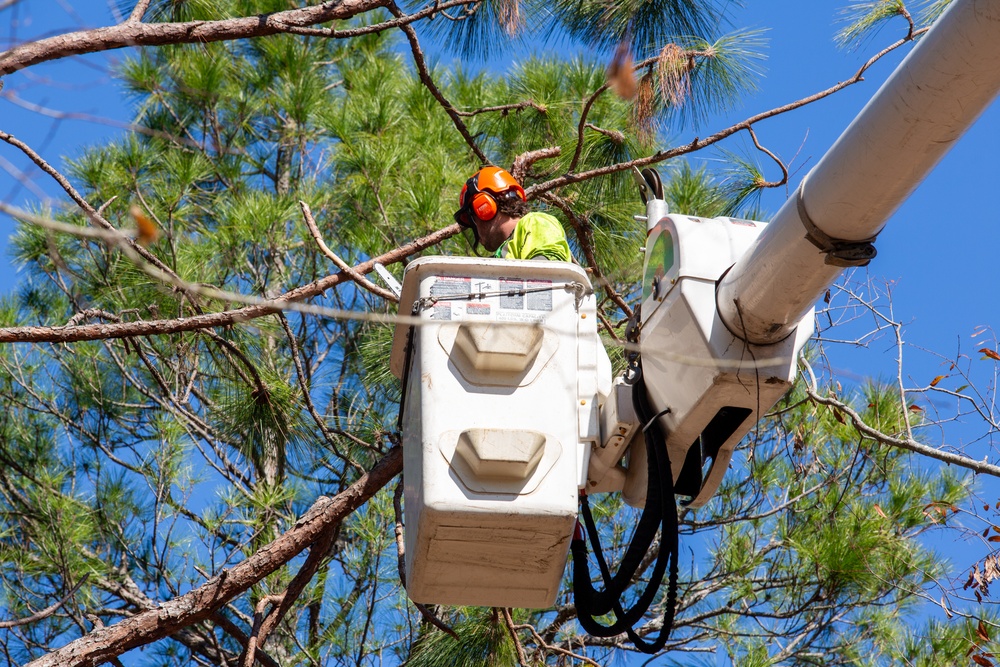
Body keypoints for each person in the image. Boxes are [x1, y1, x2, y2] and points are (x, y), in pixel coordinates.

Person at [453, 167, 572, 262]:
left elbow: (548, 277)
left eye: (473, 219)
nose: (478, 235)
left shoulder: (536, 223)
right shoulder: (503, 253)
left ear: (484, 208)